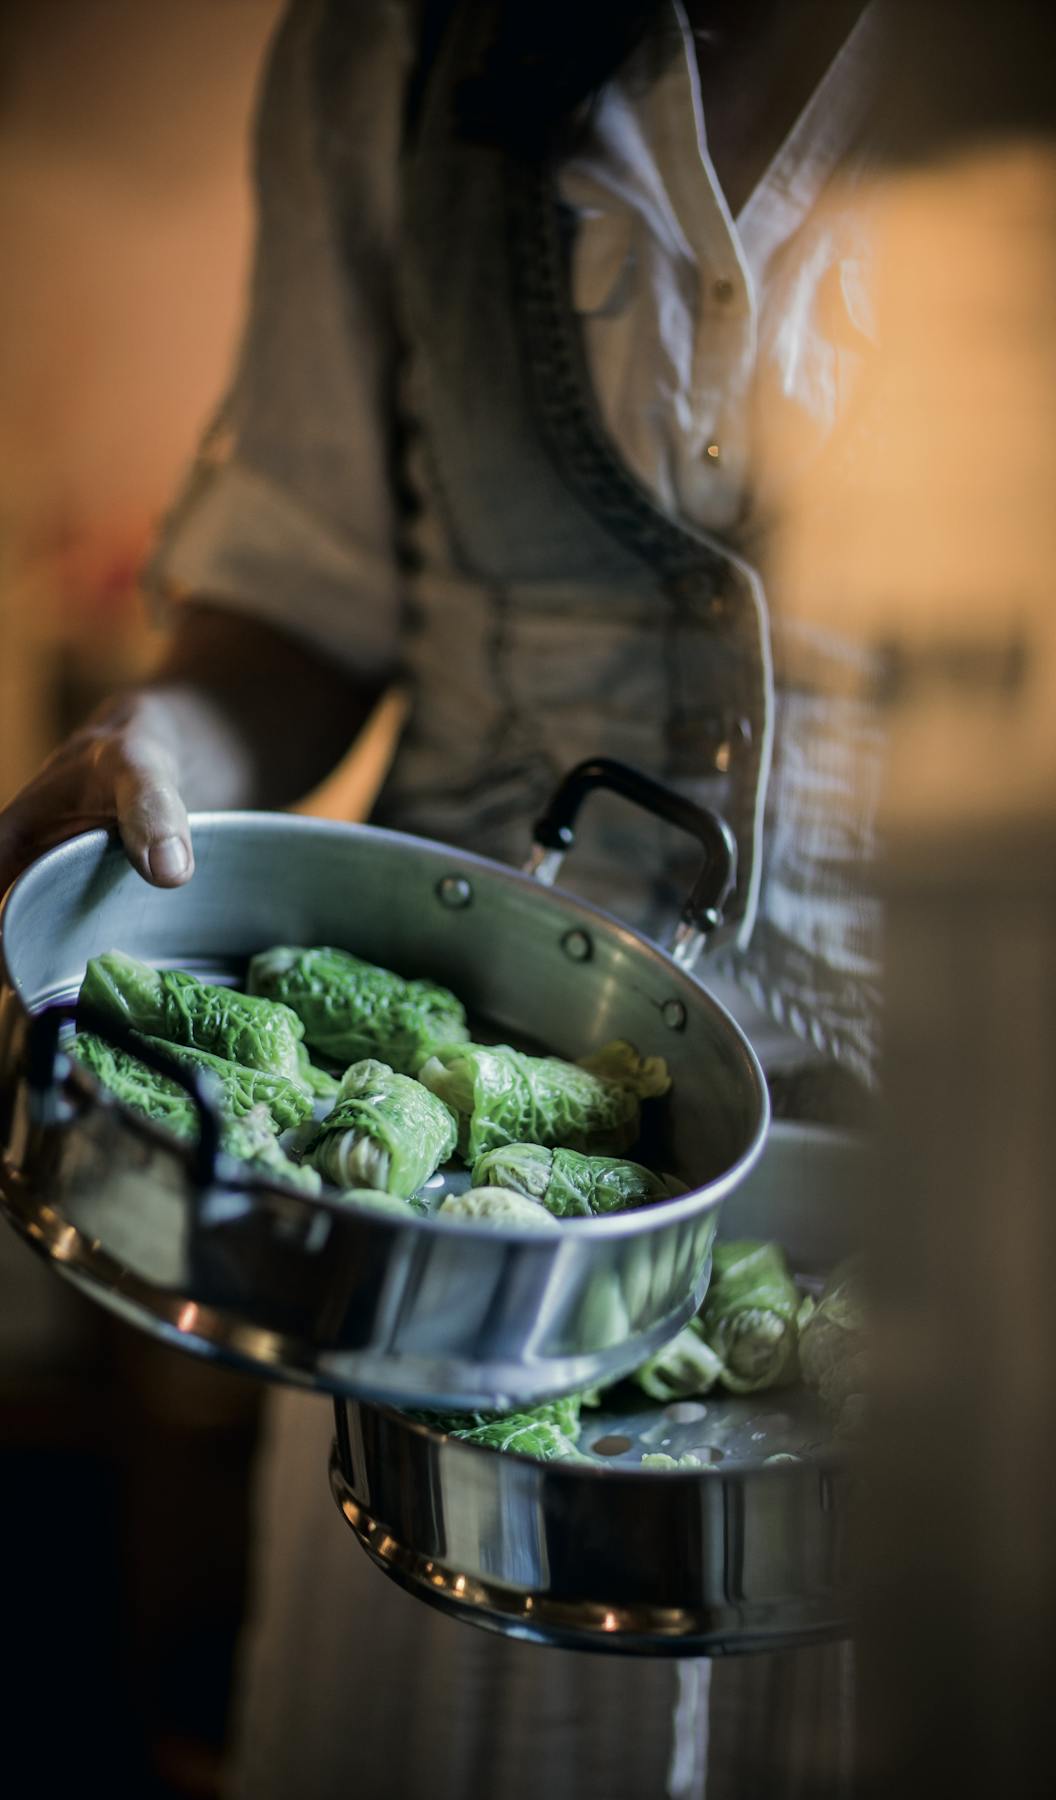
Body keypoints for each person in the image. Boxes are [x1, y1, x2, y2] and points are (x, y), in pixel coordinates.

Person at [0, 2, 886, 1792]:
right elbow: (304, 602)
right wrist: (145, 734)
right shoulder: (394, 36)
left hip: (948, 1261)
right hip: (457, 1296)